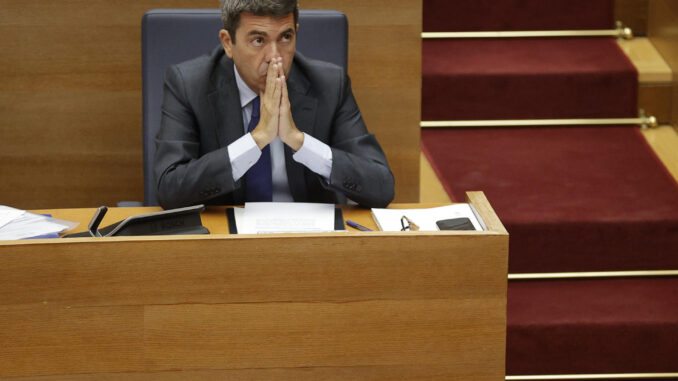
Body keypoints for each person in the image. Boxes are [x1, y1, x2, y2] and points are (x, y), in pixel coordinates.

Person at [154, 0, 394, 209]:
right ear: (228, 43)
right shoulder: (189, 85)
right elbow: (170, 189)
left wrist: (299, 141)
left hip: (307, 241)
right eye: (258, 40)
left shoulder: (329, 85)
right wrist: (256, 139)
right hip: (224, 243)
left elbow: (381, 186)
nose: (274, 57)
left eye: (285, 38)